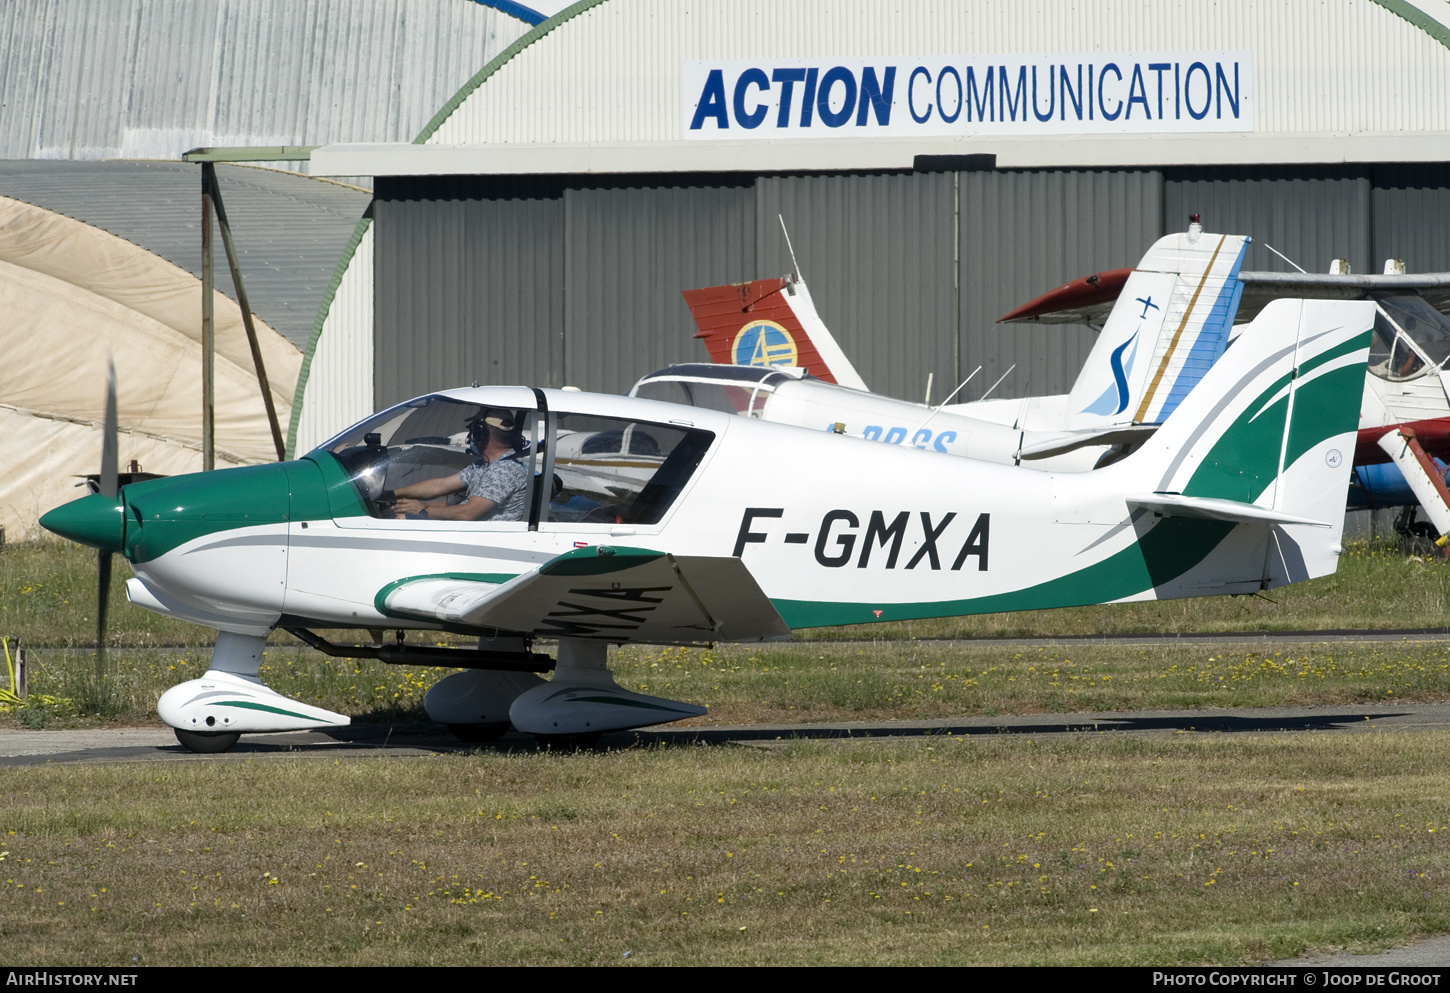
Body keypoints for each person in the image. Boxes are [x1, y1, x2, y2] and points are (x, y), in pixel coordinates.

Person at [392, 408, 530, 521]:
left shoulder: (504, 470)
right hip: (469, 537)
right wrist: (394, 494)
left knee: (402, 520)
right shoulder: (483, 465)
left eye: (474, 429)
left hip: (483, 544)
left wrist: (422, 510)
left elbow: (468, 513)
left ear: (481, 433)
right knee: (401, 516)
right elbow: (440, 485)